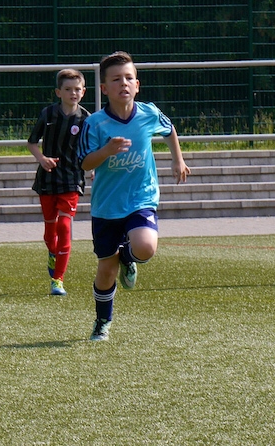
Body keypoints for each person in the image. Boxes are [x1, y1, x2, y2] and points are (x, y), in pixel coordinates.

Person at [78, 51, 190, 341]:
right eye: (116, 79)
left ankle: (128, 257)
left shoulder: (148, 113)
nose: (123, 83)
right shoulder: (95, 123)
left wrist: (177, 159)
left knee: (146, 247)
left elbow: (169, 129)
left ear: (137, 85)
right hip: (107, 206)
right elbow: (85, 163)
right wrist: (106, 151)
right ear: (104, 88)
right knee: (106, 269)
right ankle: (102, 321)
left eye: (129, 78)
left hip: (141, 197)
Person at [27, 69, 90, 296]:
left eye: (77, 89)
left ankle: (58, 280)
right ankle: (52, 253)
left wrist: (92, 167)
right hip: (48, 178)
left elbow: (91, 148)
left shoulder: (86, 119)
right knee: (49, 232)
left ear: (83, 92)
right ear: (58, 92)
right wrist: (42, 159)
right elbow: (32, 142)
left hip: (72, 178)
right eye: (68, 89)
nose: (73, 93)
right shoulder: (48, 114)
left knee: (64, 227)